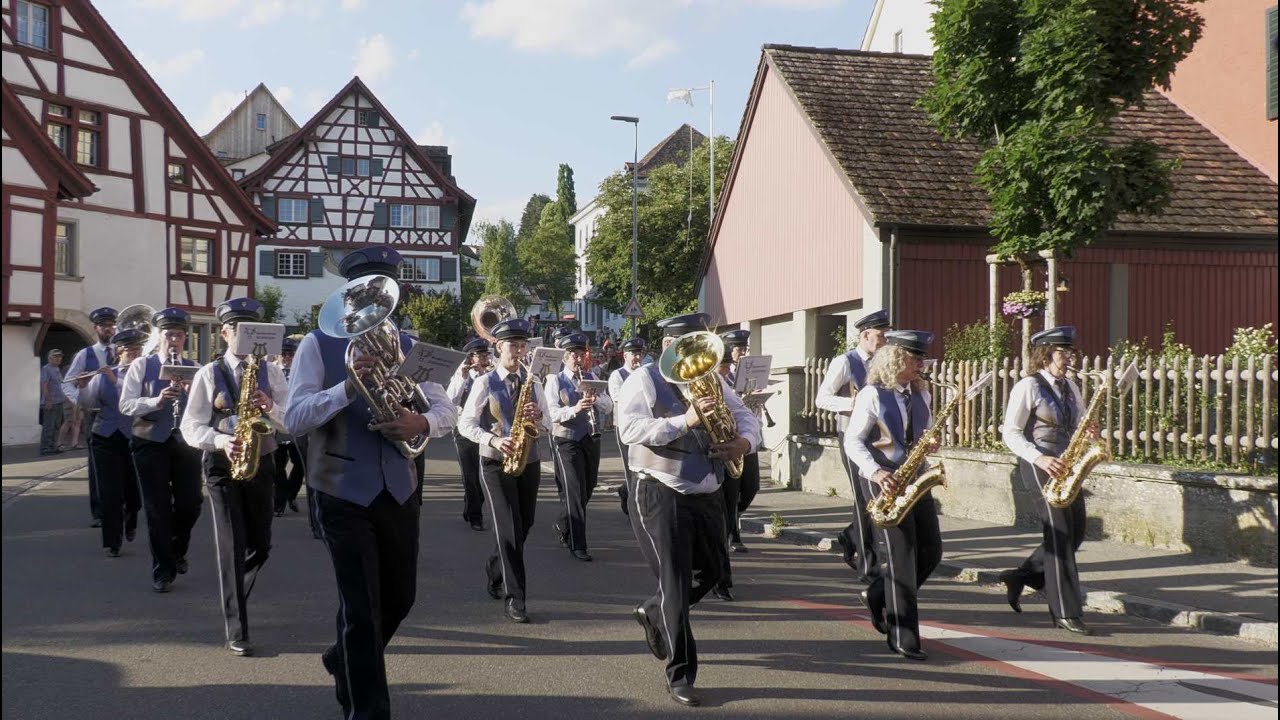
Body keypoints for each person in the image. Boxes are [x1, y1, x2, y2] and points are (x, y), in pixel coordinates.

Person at [285, 246, 456, 718]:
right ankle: (367, 710)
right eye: (366, 294)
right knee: (362, 609)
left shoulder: (411, 344)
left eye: (384, 293)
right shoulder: (318, 344)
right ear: (348, 295)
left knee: (400, 597)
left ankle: (343, 657)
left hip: (399, 487)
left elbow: (446, 409)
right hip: (341, 488)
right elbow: (294, 418)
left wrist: (420, 423)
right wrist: (345, 387)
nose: (377, 305)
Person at [617, 312, 761, 707]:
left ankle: (654, 610)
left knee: (713, 571)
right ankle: (680, 674)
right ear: (668, 345)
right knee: (677, 583)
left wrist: (744, 443)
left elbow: (745, 416)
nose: (696, 356)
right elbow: (629, 429)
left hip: (708, 490)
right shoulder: (644, 379)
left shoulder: (712, 378)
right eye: (687, 345)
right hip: (661, 490)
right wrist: (685, 420)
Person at [180, 298, 289, 656]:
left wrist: (270, 407)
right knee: (230, 546)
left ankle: (234, 592)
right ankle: (236, 627)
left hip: (263, 461)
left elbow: (292, 419)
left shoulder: (272, 373)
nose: (242, 336)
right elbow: (190, 426)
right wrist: (221, 440)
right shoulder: (208, 373)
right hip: (221, 465)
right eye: (236, 330)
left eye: (249, 331)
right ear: (225, 334)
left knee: (261, 546)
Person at [845, 330, 940, 662]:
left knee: (931, 552)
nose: (921, 365)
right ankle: (903, 636)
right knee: (902, 556)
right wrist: (875, 471)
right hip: (884, 479)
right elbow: (853, 440)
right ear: (896, 359)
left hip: (915, 478)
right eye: (915, 359)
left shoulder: (921, 394)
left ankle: (877, 593)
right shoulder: (872, 394)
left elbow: (921, 433)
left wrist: (929, 443)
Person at [999, 326, 1094, 635]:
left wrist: (1087, 431)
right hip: (1039, 464)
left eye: (1071, 352)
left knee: (1076, 531)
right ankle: (1065, 611)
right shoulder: (1028, 386)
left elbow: (1077, 423)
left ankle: (1020, 577)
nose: (1070, 358)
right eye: (1064, 353)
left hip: (1066, 464)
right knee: (1059, 534)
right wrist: (1038, 457)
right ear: (1045, 354)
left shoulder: (1071, 387)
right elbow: (1010, 432)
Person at [457, 317, 551, 623]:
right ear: (499, 347)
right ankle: (516, 599)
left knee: (525, 525)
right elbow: (465, 424)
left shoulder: (534, 382)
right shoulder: (485, 382)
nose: (519, 351)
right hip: (495, 463)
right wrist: (494, 440)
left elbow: (549, 425)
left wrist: (539, 417)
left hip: (529, 460)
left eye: (523, 345)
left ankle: (495, 568)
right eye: (513, 345)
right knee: (509, 528)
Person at [119, 308, 202, 593]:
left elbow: (205, 408)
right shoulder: (142, 365)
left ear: (185, 338)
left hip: (185, 441)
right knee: (157, 508)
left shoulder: (195, 367)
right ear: (160, 337)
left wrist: (192, 393)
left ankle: (178, 548)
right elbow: (126, 405)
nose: (174, 341)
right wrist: (156, 401)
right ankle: (163, 570)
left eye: (178, 335)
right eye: (168, 335)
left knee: (191, 503)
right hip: (150, 441)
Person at [816, 309, 891, 582]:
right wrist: (854, 404)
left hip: (882, 439)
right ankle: (868, 567)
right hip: (852, 437)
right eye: (881, 336)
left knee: (876, 497)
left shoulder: (885, 361)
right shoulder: (845, 362)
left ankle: (850, 536)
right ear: (865, 334)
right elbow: (822, 398)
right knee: (864, 499)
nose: (885, 341)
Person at [545, 332, 613, 562]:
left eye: (580, 354)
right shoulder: (555, 380)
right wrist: (575, 409)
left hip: (590, 438)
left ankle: (563, 524)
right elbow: (550, 413)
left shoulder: (592, 376)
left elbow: (608, 406)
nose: (577, 358)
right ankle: (578, 544)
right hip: (566, 439)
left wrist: (596, 400)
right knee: (574, 490)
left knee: (588, 488)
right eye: (572, 354)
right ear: (564, 357)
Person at [78, 327, 144, 558]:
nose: (134, 355)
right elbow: (88, 404)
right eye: (129, 352)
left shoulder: (144, 376)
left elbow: (134, 400)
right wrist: (84, 386)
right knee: (109, 492)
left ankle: (131, 516)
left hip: (134, 436)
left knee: (133, 492)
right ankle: (112, 542)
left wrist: (114, 380)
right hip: (104, 436)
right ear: (119, 353)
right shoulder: (103, 375)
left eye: (137, 351)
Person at [64, 306, 118, 525]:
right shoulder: (85, 354)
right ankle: (100, 512)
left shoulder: (122, 350)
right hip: (96, 415)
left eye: (111, 325)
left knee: (123, 464)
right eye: (104, 326)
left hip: (122, 416)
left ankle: (122, 507)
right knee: (97, 467)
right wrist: (81, 401)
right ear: (96, 328)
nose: (108, 329)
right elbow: (67, 383)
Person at [721, 329, 761, 556]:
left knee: (751, 486)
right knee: (731, 489)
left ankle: (732, 518)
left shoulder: (746, 374)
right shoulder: (718, 377)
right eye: (739, 348)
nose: (743, 352)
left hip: (747, 439)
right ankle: (732, 534)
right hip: (727, 437)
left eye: (745, 348)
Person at [447, 337, 492, 532]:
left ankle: (471, 506)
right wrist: (462, 377)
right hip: (464, 432)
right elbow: (450, 400)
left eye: (485, 355)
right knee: (470, 475)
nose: (484, 359)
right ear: (470, 358)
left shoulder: (491, 376)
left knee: (483, 475)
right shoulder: (461, 376)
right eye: (480, 356)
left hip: (486, 431)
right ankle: (476, 516)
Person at [608, 337, 646, 517]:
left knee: (642, 466)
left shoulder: (645, 374)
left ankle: (626, 491)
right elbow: (619, 398)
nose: (637, 358)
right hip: (624, 426)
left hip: (644, 425)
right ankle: (634, 508)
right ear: (625, 356)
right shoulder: (618, 375)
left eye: (640, 354)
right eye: (634, 354)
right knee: (629, 466)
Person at [272, 338, 307, 519]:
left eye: (290, 354)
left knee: (300, 464)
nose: (286, 357)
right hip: (275, 424)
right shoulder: (271, 371)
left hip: (295, 424)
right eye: (283, 354)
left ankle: (290, 495)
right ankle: (279, 503)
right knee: (277, 467)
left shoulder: (300, 371)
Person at [39, 349, 67, 456]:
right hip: (51, 402)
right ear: (50, 358)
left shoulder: (57, 369)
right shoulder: (46, 369)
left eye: (60, 356)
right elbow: (44, 385)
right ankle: (46, 449)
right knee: (49, 426)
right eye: (56, 356)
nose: (58, 358)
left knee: (56, 426)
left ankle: (52, 446)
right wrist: (48, 400)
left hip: (59, 402)